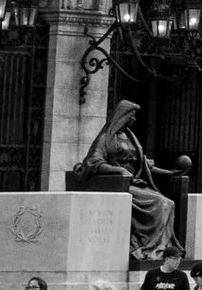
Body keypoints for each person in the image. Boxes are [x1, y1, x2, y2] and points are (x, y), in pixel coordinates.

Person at [69, 98, 176, 269]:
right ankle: (148, 247)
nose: (134, 119)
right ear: (124, 116)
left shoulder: (131, 137)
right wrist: (118, 170)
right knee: (161, 204)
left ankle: (158, 247)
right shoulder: (106, 138)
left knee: (169, 203)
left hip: (134, 184)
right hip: (120, 185)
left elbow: (146, 164)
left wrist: (170, 173)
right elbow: (93, 161)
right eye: (132, 116)